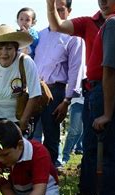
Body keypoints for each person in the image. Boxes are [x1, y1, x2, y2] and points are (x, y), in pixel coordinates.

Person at [47, 0, 115, 195]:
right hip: (97, 89)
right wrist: (50, 4)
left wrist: (107, 113)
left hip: (110, 89)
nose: (103, 1)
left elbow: (109, 71)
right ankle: (91, 194)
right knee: (95, 144)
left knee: (112, 146)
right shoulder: (95, 21)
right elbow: (58, 26)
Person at [34, 0, 84, 166]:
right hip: (35, 90)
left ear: (69, 11)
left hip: (56, 92)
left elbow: (75, 71)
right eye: (53, 9)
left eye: (61, 10)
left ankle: (50, 174)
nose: (55, 13)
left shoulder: (74, 38)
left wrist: (67, 100)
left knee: (51, 135)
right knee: (31, 132)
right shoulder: (39, 35)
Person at [0, 25, 41, 134]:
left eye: (9, 48)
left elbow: (35, 94)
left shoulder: (26, 62)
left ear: (16, 48)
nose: (4, 53)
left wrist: (24, 121)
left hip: (20, 117)